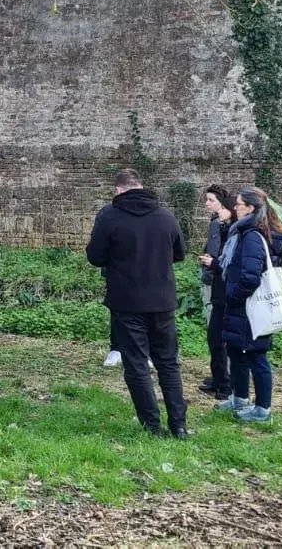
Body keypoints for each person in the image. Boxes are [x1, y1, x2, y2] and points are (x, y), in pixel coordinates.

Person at [85, 168, 190, 439]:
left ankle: (151, 425)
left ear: (118, 189)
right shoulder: (166, 216)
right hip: (162, 300)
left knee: (136, 364)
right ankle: (179, 424)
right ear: (141, 185)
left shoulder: (110, 216)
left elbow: (95, 256)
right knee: (168, 363)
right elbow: (180, 253)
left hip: (127, 300)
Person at [218, 187, 282, 424]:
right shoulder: (246, 232)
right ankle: (240, 399)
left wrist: (234, 296)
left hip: (249, 308)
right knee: (237, 352)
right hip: (242, 308)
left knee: (256, 356)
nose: (235, 207)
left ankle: (262, 409)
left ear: (250, 208)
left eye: (238, 204)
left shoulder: (251, 236)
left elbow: (250, 277)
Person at [196, 184, 237, 400]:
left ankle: (226, 384)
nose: (207, 204)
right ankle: (219, 377)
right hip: (215, 285)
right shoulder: (217, 224)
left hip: (226, 290)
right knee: (214, 337)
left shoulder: (236, 231)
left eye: (211, 200)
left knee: (222, 338)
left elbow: (230, 262)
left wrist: (213, 264)